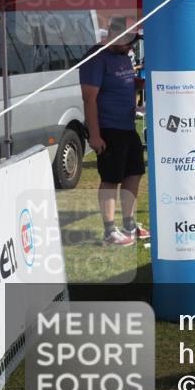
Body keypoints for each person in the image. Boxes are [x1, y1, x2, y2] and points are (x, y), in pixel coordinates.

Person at [79, 17, 150, 246]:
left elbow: (125, 82)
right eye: (129, 42)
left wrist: (140, 84)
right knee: (110, 178)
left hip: (128, 126)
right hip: (108, 128)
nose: (131, 48)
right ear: (115, 36)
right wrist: (95, 135)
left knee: (134, 173)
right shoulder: (96, 58)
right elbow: (89, 99)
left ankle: (129, 222)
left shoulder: (122, 56)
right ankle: (109, 230)